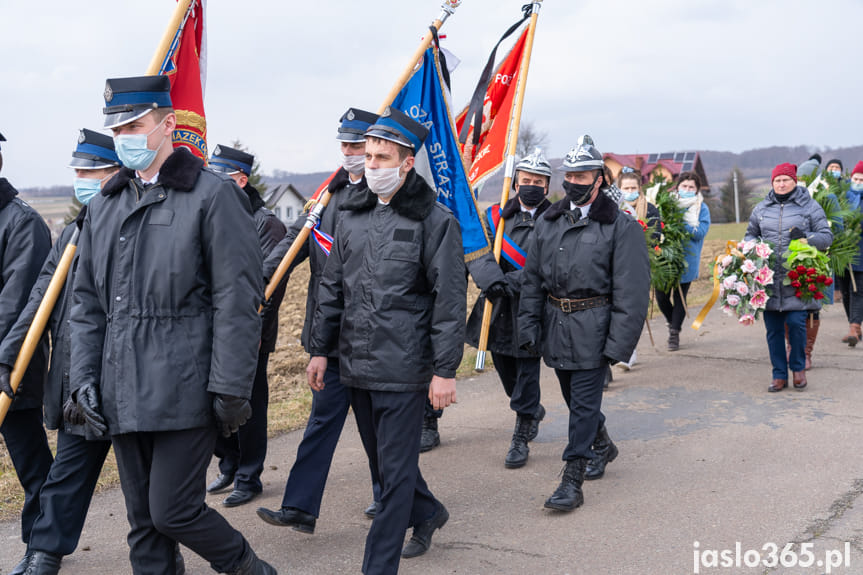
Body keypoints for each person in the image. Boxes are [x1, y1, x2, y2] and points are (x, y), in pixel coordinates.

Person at [70, 76, 276, 574]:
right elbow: (86, 305)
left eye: (134, 125)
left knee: (174, 510)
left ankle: (250, 569)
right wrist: (82, 381)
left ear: (168, 125)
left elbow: (236, 299)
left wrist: (230, 387)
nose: (124, 137)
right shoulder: (104, 207)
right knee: (144, 524)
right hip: (122, 387)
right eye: (116, 129)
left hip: (187, 387)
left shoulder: (212, 196)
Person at [307, 106, 465, 574]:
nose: (371, 165)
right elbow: (331, 289)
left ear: (407, 162)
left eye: (382, 157)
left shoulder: (434, 221)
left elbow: (449, 301)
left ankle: (377, 567)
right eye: (369, 156)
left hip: (405, 368)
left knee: (393, 477)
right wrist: (320, 349)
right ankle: (428, 512)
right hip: (355, 365)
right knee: (383, 465)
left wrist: (444, 370)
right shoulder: (349, 216)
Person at [256, 108, 382, 532]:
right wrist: (262, 278)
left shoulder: (387, 197)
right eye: (343, 145)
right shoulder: (329, 195)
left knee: (376, 427)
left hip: (372, 334)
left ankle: (396, 498)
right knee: (322, 420)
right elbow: (295, 242)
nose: (347, 153)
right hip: (329, 332)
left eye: (356, 145)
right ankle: (300, 507)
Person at [518, 135, 649, 511]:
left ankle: (571, 479)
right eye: (570, 174)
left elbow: (633, 292)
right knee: (577, 403)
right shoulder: (549, 221)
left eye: (583, 174)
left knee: (584, 404)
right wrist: (529, 328)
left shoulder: (621, 228)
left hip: (595, 328)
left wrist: (618, 345)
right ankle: (603, 445)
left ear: (600, 179)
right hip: (556, 326)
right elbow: (532, 281)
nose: (574, 181)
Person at [206, 144, 286, 508]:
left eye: (221, 177)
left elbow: (268, 286)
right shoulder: (215, 215)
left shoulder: (267, 224)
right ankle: (229, 461)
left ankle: (249, 475)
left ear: (240, 180)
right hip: (214, 329)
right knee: (211, 402)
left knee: (249, 403)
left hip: (250, 333)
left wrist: (251, 334)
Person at [465, 148, 550, 469]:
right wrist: (490, 280)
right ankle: (529, 408)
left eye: (538, 181)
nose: (531, 186)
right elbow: (480, 252)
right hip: (499, 305)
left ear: (546, 185)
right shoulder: (495, 216)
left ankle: (522, 430)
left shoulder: (556, 217)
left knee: (528, 371)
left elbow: (552, 263)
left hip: (534, 306)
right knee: (506, 371)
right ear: (515, 183)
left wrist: (511, 281)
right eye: (526, 180)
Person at [0, 130, 54, 575]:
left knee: (30, 461)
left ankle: (42, 544)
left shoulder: (22, 222)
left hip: (10, 364)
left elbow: (16, 303)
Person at [744, 163, 832, 392]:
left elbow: (826, 237)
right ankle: (779, 375)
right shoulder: (761, 209)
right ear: (772, 183)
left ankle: (798, 368)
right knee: (773, 330)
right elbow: (750, 234)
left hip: (797, 279)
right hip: (769, 279)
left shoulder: (810, 206)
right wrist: (752, 247)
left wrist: (807, 238)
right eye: (777, 180)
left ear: (795, 182)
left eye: (786, 180)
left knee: (795, 324)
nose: (781, 184)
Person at [654, 171, 710, 351]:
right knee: (661, 297)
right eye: (684, 186)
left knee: (680, 297)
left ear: (696, 190)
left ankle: (674, 334)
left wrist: (681, 223)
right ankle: (673, 322)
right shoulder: (667, 203)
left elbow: (700, 232)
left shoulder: (701, 208)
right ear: (678, 187)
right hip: (664, 257)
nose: (687, 189)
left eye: (691, 187)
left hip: (687, 259)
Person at [616, 168, 661, 371]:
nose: (630, 191)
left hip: (640, 265)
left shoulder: (650, 209)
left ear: (640, 189)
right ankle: (623, 351)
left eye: (633, 187)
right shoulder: (614, 208)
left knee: (633, 310)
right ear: (619, 189)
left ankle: (629, 351)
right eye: (626, 188)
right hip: (618, 265)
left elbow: (654, 236)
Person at [838, 161, 863, 346]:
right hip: (843, 252)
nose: (858, 182)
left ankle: (855, 327)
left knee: (858, 290)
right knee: (846, 291)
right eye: (856, 178)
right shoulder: (842, 198)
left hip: (861, 252)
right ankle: (853, 326)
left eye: (862, 180)